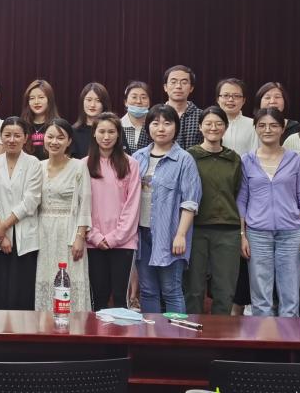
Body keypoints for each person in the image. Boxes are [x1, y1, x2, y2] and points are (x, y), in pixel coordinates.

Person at [238, 107, 300, 317]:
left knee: (290, 297)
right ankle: (264, 337)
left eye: (273, 125)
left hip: (291, 233)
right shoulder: (246, 161)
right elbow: (241, 200)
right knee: (260, 298)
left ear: (282, 128)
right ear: (256, 129)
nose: (267, 130)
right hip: (257, 234)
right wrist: (242, 234)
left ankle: (288, 338)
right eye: (262, 125)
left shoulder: (296, 160)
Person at [131, 104, 201, 314]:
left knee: (171, 290)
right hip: (141, 234)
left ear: (176, 127)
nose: (161, 128)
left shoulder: (184, 159)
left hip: (170, 235)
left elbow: (190, 202)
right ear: (148, 127)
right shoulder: (138, 157)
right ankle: (151, 332)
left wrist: (180, 235)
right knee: (147, 290)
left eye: (167, 123)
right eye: (155, 123)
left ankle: (175, 332)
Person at [0, 117, 43, 310]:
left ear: (26, 138)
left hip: (24, 236)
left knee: (22, 293)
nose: (12, 140)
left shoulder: (33, 164)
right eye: (7, 135)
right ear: (1, 137)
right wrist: (0, 232)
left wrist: (3, 227)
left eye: (17, 135)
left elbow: (31, 200)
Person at [185, 107, 242, 315]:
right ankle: (191, 330)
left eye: (219, 124)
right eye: (208, 123)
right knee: (193, 288)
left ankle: (221, 332)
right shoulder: (189, 156)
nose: (213, 128)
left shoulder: (234, 158)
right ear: (200, 127)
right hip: (195, 228)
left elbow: (238, 192)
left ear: (225, 128)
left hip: (228, 230)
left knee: (224, 289)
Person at [33, 119, 90, 314]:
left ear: (69, 141)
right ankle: (45, 325)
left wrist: (80, 237)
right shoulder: (37, 166)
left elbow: (85, 204)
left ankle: (75, 326)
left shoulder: (79, 166)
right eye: (50, 137)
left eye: (60, 137)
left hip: (69, 231)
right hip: (42, 232)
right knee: (46, 277)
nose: (54, 142)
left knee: (71, 279)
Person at [85, 113, 139, 310]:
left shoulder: (131, 164)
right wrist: (95, 236)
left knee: (120, 299)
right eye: (101, 131)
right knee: (97, 299)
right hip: (93, 243)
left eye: (111, 132)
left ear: (118, 134)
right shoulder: (83, 165)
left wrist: (115, 237)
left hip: (123, 243)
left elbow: (132, 205)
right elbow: (80, 207)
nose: (106, 137)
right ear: (94, 133)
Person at [162, 66, 204, 149]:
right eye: (173, 82)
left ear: (191, 88)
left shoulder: (202, 116)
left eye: (184, 82)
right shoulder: (154, 116)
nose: (178, 86)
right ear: (165, 87)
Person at [20, 79, 60, 159]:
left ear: (49, 99)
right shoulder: (22, 125)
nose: (36, 102)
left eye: (41, 97)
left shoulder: (58, 126)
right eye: (32, 98)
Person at [71, 82, 111, 160]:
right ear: (82, 101)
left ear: (104, 104)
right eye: (89, 100)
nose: (92, 105)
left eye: (98, 100)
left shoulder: (114, 129)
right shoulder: (73, 131)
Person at [217, 78, 257, 156]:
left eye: (236, 96)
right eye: (226, 95)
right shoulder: (210, 125)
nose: (230, 99)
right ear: (218, 99)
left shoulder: (253, 124)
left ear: (243, 100)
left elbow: (256, 154)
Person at [120, 81, 151, 152]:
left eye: (143, 97)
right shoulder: (117, 126)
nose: (138, 101)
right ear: (125, 102)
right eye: (134, 97)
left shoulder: (155, 125)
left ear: (149, 103)